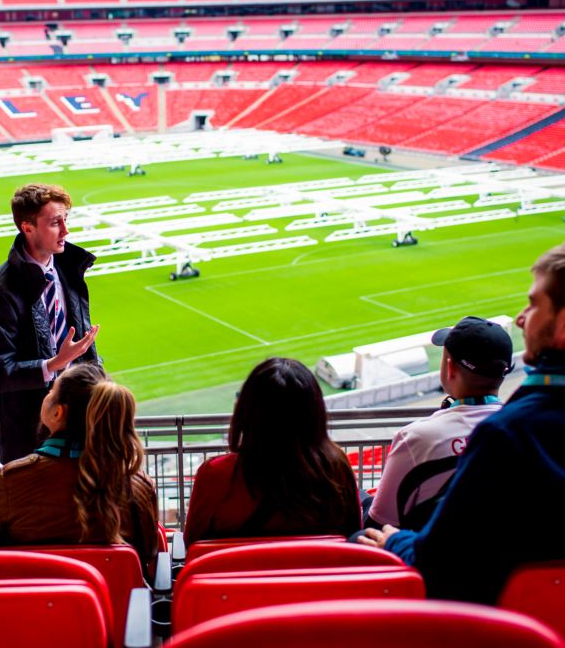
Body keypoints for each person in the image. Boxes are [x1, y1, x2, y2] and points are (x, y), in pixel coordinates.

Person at [359, 243, 565, 604]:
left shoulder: (509, 435)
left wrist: (395, 540)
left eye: (533, 304)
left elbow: (440, 562)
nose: (521, 317)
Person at [0, 363, 159, 573]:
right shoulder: (138, 485)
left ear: (57, 413)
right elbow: (149, 557)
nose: (47, 393)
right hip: (118, 605)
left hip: (29, 605)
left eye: (52, 389)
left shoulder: (9, 480)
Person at [0, 183, 100, 464]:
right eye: (56, 222)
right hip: (28, 437)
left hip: (79, 425)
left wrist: (107, 392)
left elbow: (84, 352)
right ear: (27, 227)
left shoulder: (69, 272)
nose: (66, 230)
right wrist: (53, 364)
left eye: (66, 220)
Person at [184, 357, 361, 547]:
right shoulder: (336, 467)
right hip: (315, 576)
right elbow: (353, 536)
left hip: (236, 576)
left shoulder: (216, 474)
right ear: (315, 413)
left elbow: (192, 542)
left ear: (246, 412)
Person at [366, 316, 512, 530]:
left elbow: (380, 521)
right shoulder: (525, 430)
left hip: (422, 558)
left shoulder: (416, 438)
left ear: (450, 367)